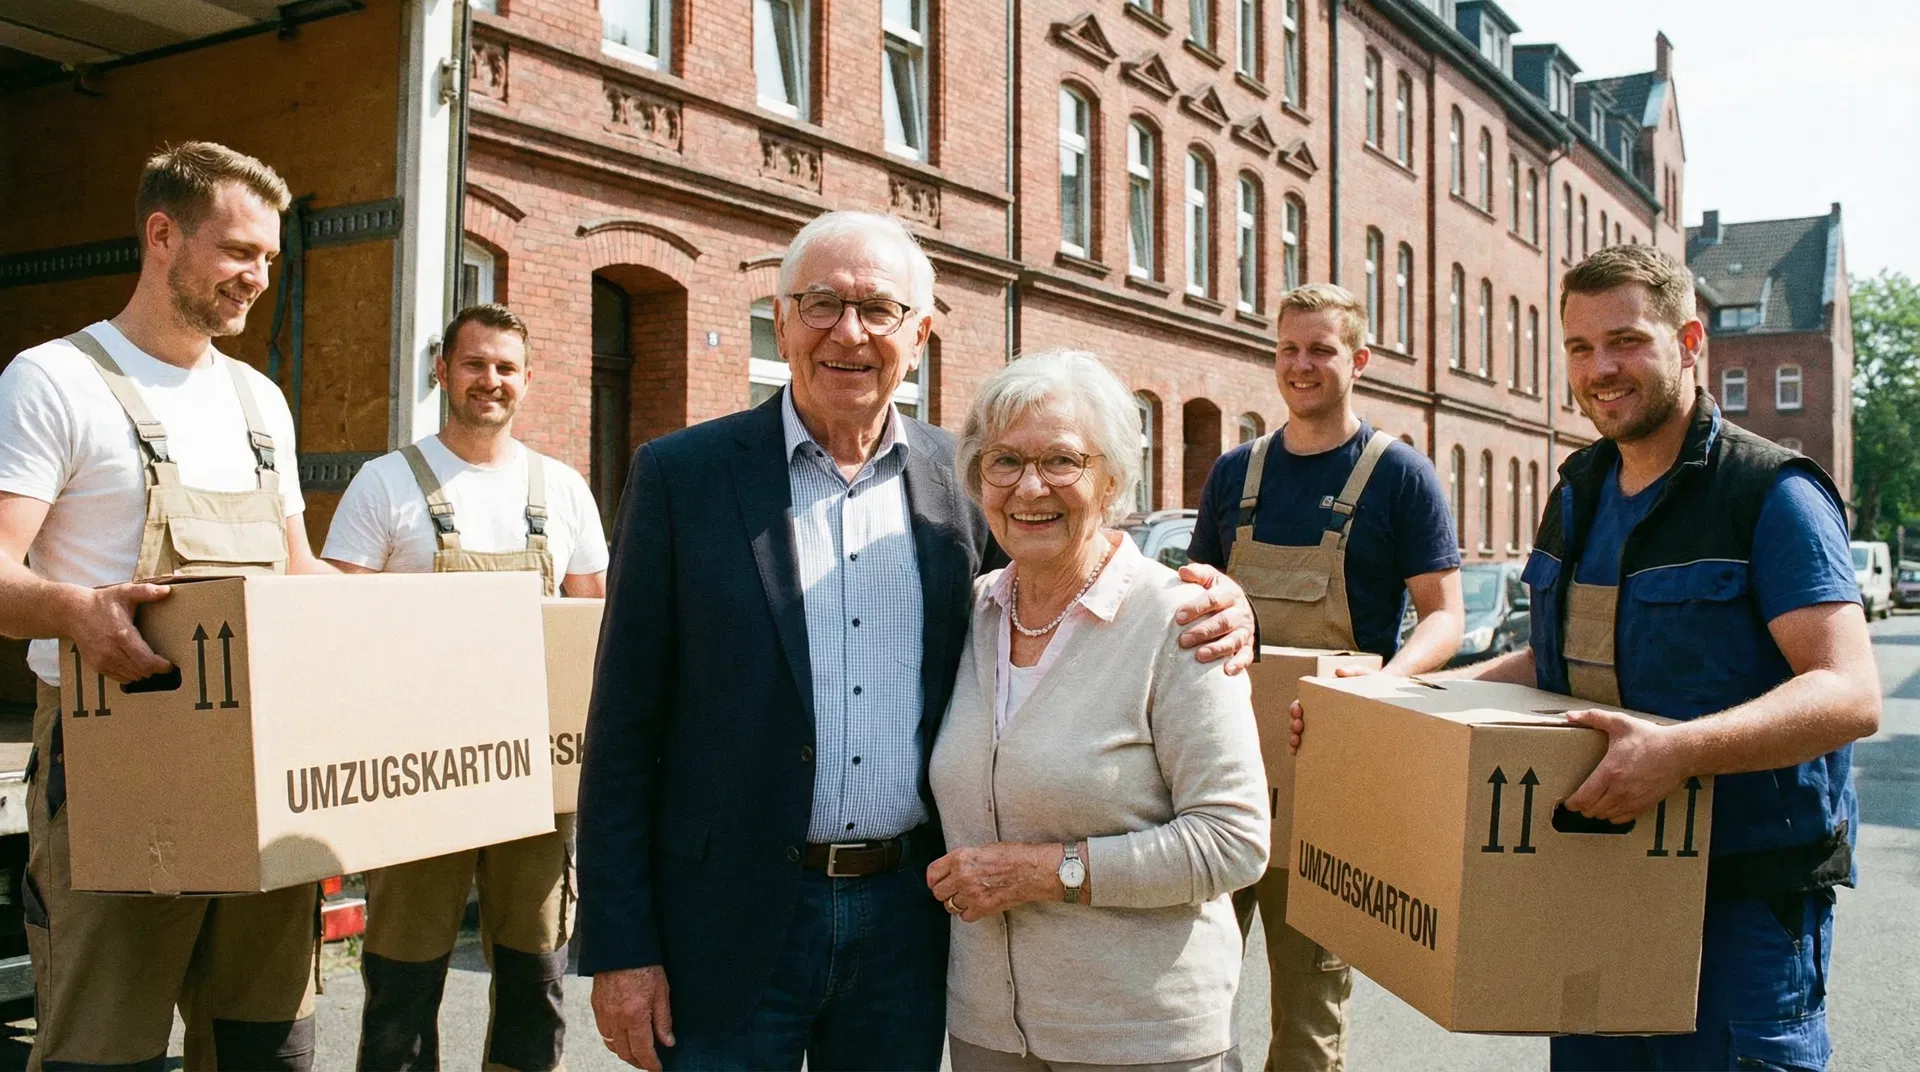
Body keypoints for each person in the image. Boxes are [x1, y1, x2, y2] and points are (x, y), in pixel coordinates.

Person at [577, 210, 1257, 1071]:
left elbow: (1063, 584)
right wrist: (620, 947)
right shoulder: (683, 478)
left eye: (878, 310)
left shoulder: (967, 483)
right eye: (820, 304)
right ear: (780, 318)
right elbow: (622, 730)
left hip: (911, 921)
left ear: (922, 332)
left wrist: (1226, 605)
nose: (847, 333)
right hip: (729, 918)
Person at [1297, 245, 1880, 1070]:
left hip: (1743, 906)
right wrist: (1398, 694)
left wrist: (1678, 753)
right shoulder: (1579, 493)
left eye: (1626, 341)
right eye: (1579, 348)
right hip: (1594, 882)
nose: (1600, 369)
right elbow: (1551, 662)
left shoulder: (1768, 494)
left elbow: (1850, 692)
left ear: (1688, 341)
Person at [0, 141, 334, 1070]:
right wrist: (75, 612)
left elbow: (299, 570)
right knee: (104, 1050)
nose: (257, 278)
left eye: (269, 259)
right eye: (238, 252)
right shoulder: (54, 380)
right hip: (118, 760)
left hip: (266, 758)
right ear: (161, 236)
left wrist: (426, 628)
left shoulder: (261, 402)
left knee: (266, 1042)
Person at [928, 349, 1270, 1071]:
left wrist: (1044, 873)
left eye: (1061, 461)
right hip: (989, 1031)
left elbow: (1234, 840)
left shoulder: (1181, 619)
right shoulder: (971, 611)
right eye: (1004, 462)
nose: (1030, 488)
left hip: (1141, 1036)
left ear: (1112, 476)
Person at [321, 302, 608, 1070]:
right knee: (403, 981)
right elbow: (330, 622)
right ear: (442, 371)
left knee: (534, 975)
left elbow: (594, 627)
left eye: (507, 367)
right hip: (419, 778)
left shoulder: (562, 489)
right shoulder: (387, 484)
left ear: (527, 380)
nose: (491, 380)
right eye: (475, 364)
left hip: (535, 777)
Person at [1187, 283, 1463, 1072]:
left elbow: (1444, 618)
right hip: (1218, 773)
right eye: (1288, 349)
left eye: (1322, 350)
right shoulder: (1235, 474)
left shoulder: (1399, 477)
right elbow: (1195, 600)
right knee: (1187, 996)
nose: (1301, 366)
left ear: (1360, 360)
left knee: (1309, 1018)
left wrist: (1380, 687)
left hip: (1329, 780)